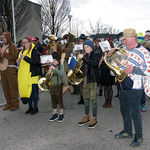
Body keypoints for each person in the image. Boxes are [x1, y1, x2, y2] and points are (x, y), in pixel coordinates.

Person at [115, 28, 150, 147]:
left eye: (125, 40)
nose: (123, 42)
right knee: (124, 110)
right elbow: (116, 65)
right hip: (123, 85)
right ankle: (128, 131)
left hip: (135, 87)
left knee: (135, 113)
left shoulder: (144, 52)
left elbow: (148, 70)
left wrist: (133, 69)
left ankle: (139, 136)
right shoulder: (123, 50)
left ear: (131, 38)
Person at [77, 40, 101, 129]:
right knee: (86, 98)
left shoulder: (96, 54)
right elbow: (83, 67)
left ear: (91, 47)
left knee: (93, 99)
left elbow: (93, 64)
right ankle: (86, 116)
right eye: (84, 47)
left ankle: (94, 118)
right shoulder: (85, 55)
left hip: (93, 79)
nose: (85, 49)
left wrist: (83, 58)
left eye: (87, 47)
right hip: (85, 79)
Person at [17, 37, 41, 115]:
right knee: (28, 91)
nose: (24, 44)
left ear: (30, 43)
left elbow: (36, 62)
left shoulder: (35, 51)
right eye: (22, 42)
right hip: (24, 74)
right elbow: (19, 63)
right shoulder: (21, 51)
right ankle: (30, 107)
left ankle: (35, 107)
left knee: (33, 91)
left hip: (32, 74)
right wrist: (17, 61)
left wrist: (25, 58)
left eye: (25, 42)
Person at [0, 32, 19, 111]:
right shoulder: (3, 45)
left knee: (12, 87)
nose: (3, 39)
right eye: (2, 38)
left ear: (8, 37)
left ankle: (15, 104)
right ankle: (8, 103)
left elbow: (14, 57)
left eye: (4, 38)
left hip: (10, 69)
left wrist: (3, 54)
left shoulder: (12, 46)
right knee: (5, 88)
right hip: (3, 69)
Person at [48, 52, 65, 122]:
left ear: (57, 60)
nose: (53, 62)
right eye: (52, 60)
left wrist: (54, 68)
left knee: (59, 100)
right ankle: (54, 114)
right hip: (52, 86)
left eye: (54, 60)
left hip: (58, 86)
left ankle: (61, 114)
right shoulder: (51, 66)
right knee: (53, 101)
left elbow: (62, 74)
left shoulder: (61, 65)